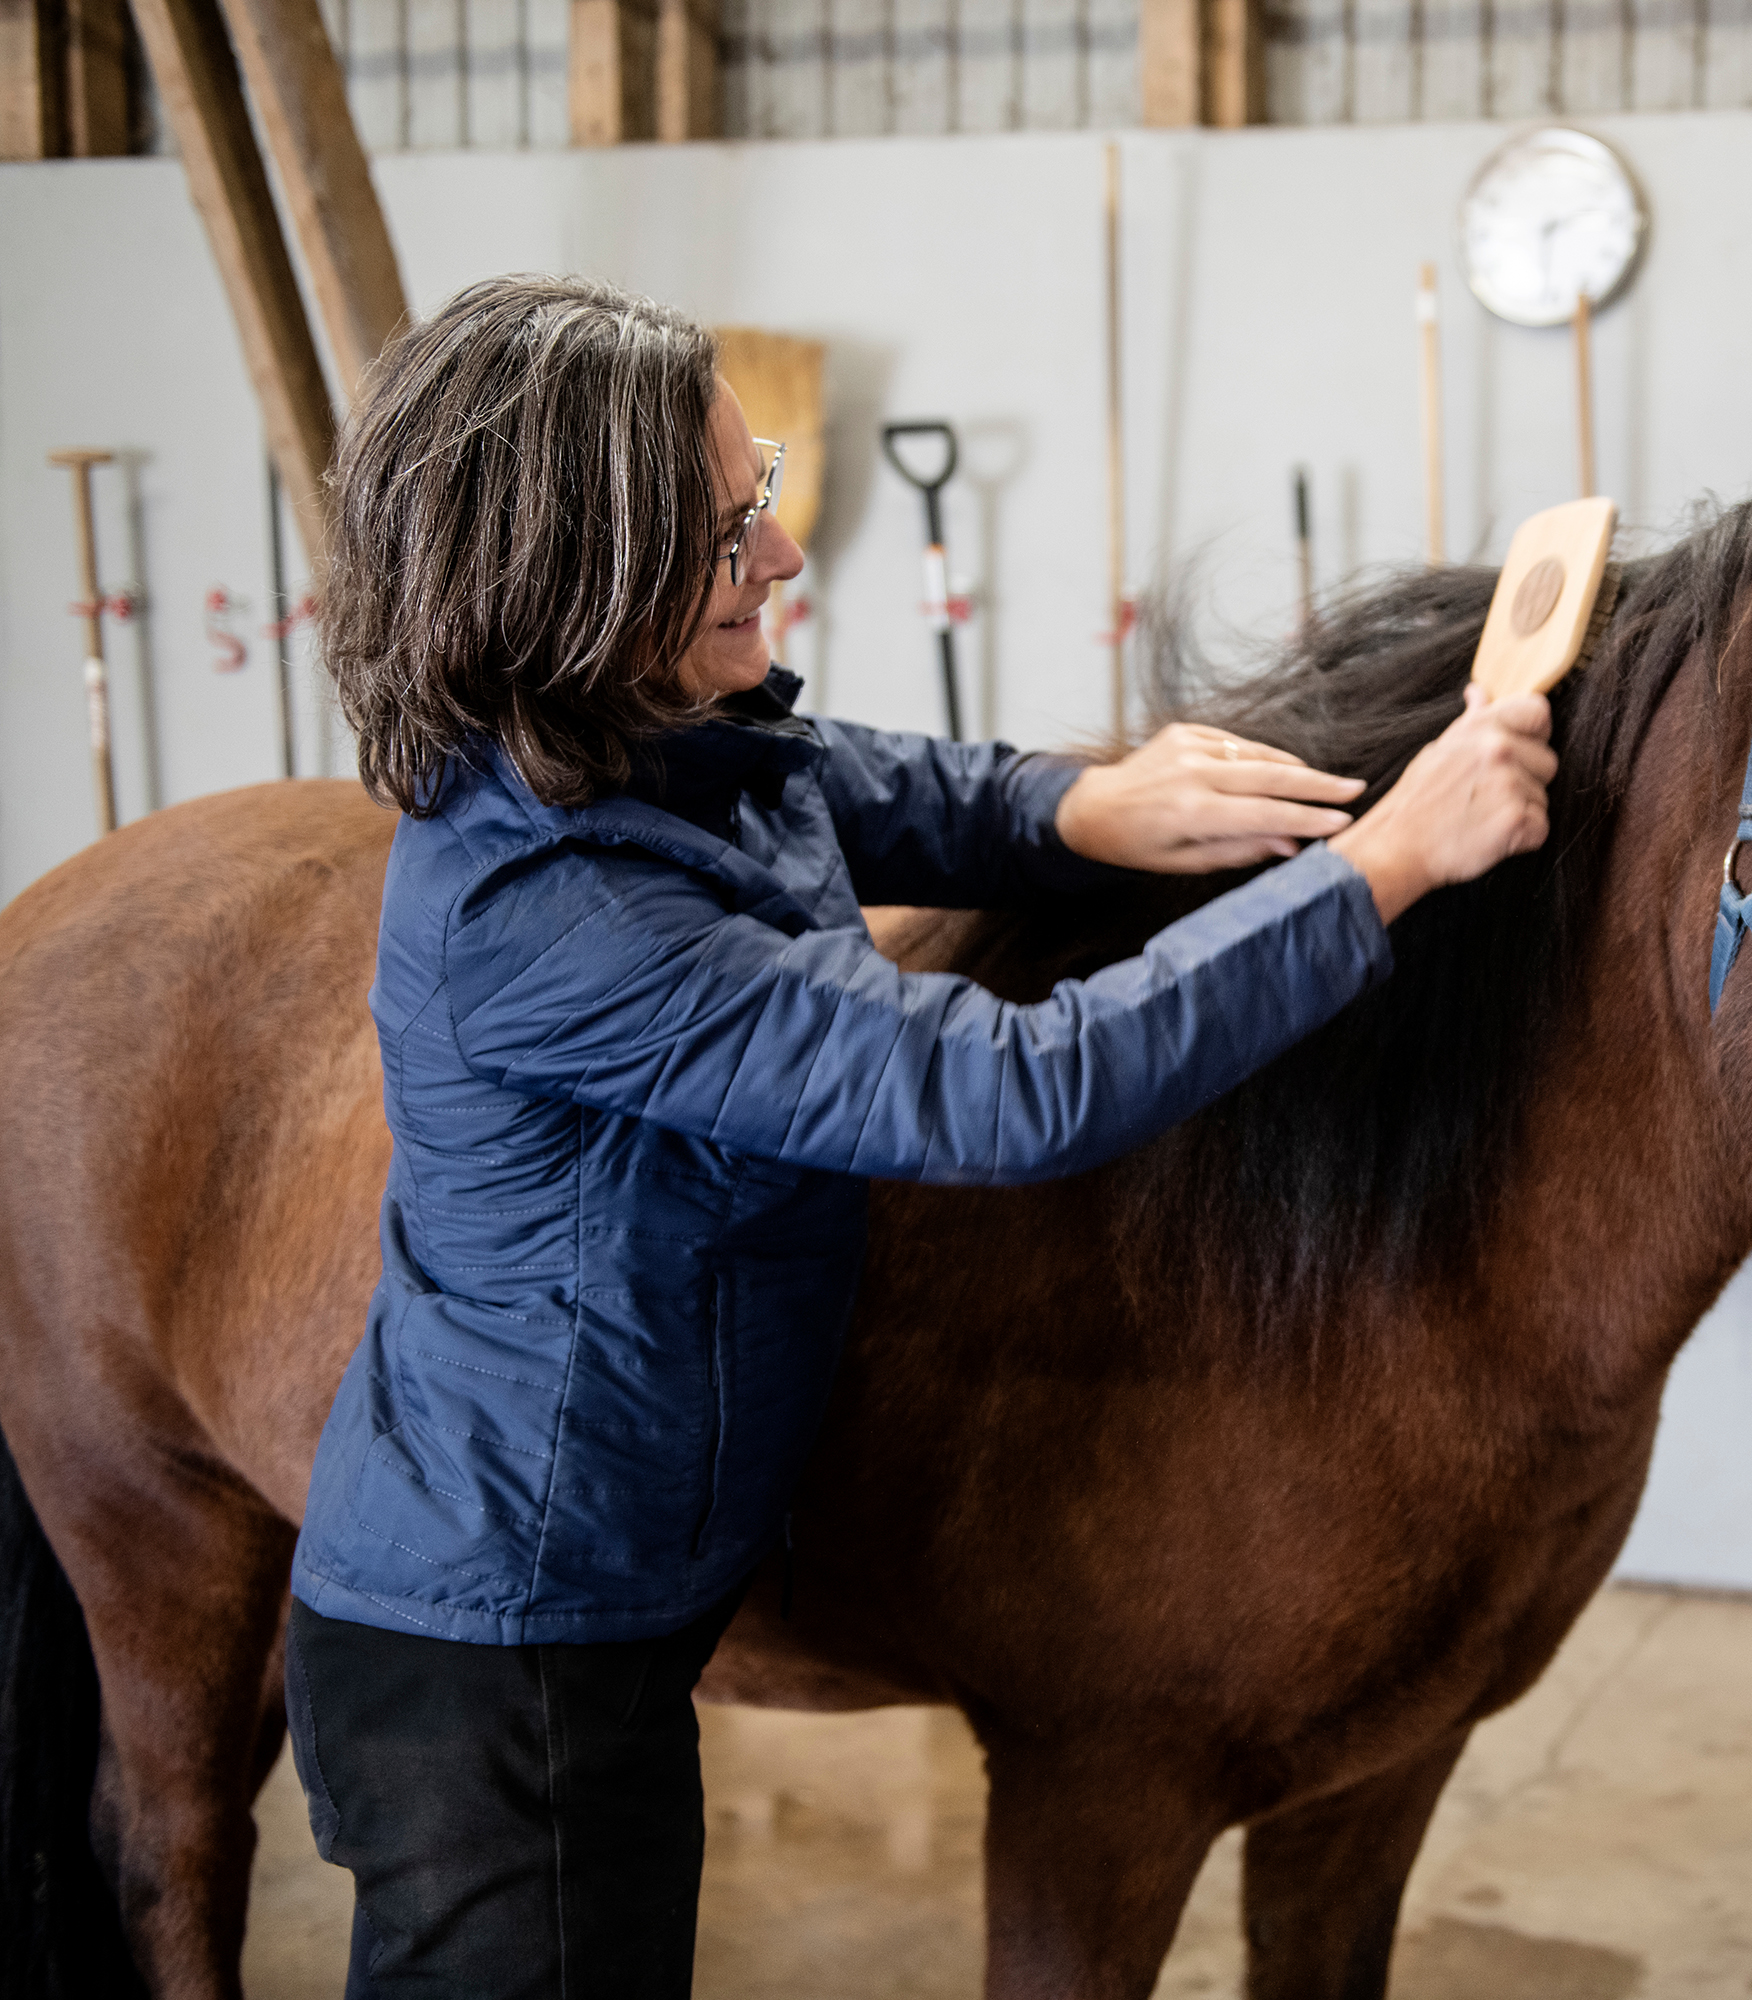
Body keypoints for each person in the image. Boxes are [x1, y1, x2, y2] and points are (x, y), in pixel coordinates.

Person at [282, 274, 1555, 1997]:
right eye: (732, 533)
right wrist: (1383, 866)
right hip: (501, 1652)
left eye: (763, 492)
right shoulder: (547, 911)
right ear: (575, 587)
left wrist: (1070, 806)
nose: (786, 558)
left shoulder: (640, 746)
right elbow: (1008, 1086)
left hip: (607, 1600)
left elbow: (835, 781)